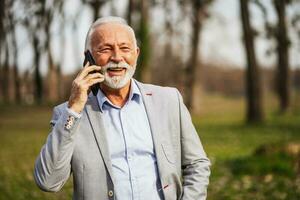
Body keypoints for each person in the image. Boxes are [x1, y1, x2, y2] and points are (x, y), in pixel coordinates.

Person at [34, 16, 210, 200]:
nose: (117, 57)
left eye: (125, 48)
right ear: (89, 57)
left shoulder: (168, 100)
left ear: (136, 53)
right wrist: (74, 109)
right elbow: (48, 181)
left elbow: (197, 164)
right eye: (105, 49)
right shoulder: (69, 114)